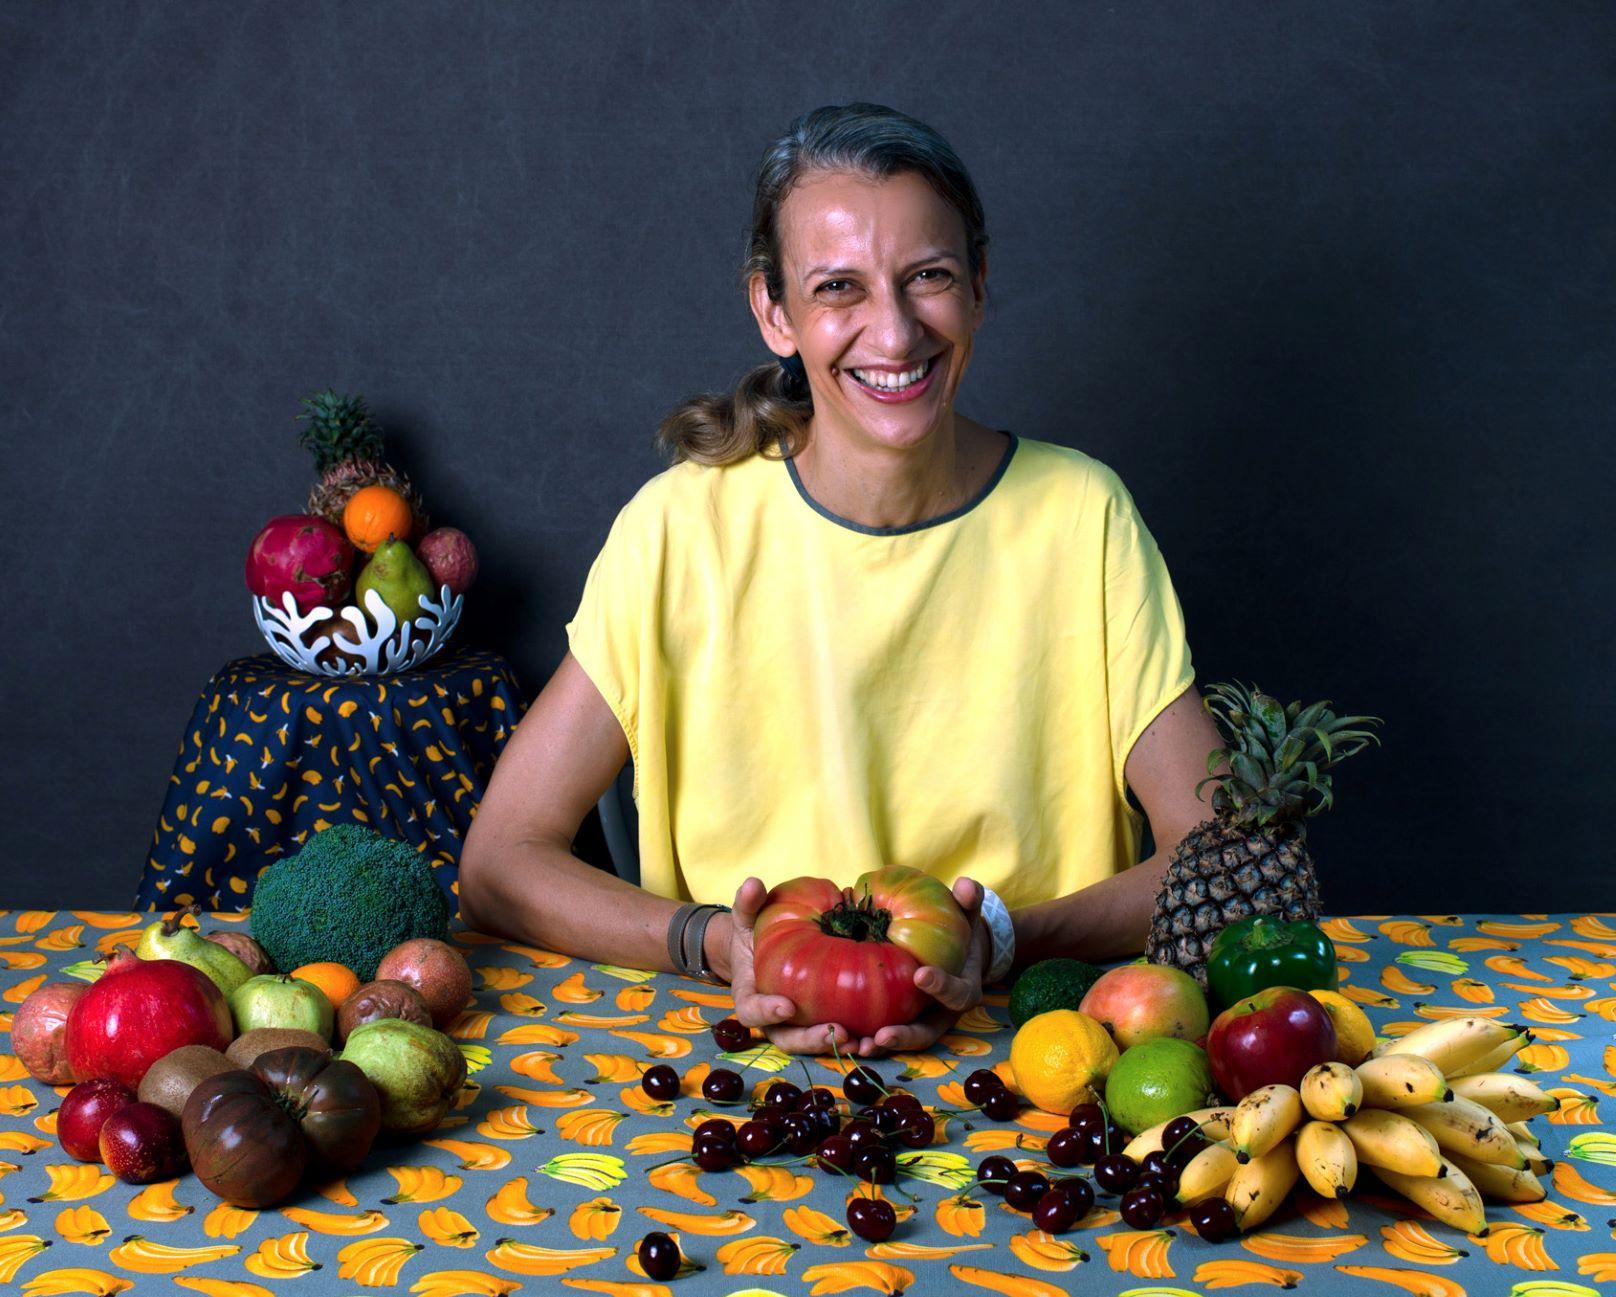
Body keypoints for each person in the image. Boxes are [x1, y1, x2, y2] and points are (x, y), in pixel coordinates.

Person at [458, 102, 1224, 1056]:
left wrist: (1002, 939)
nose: (894, 333)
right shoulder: (679, 531)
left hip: (1036, 1052)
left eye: (929, 277)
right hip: (731, 1056)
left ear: (980, 286)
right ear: (774, 311)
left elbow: (1219, 852)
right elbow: (499, 862)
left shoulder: (1083, 515)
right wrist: (705, 940)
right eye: (839, 289)